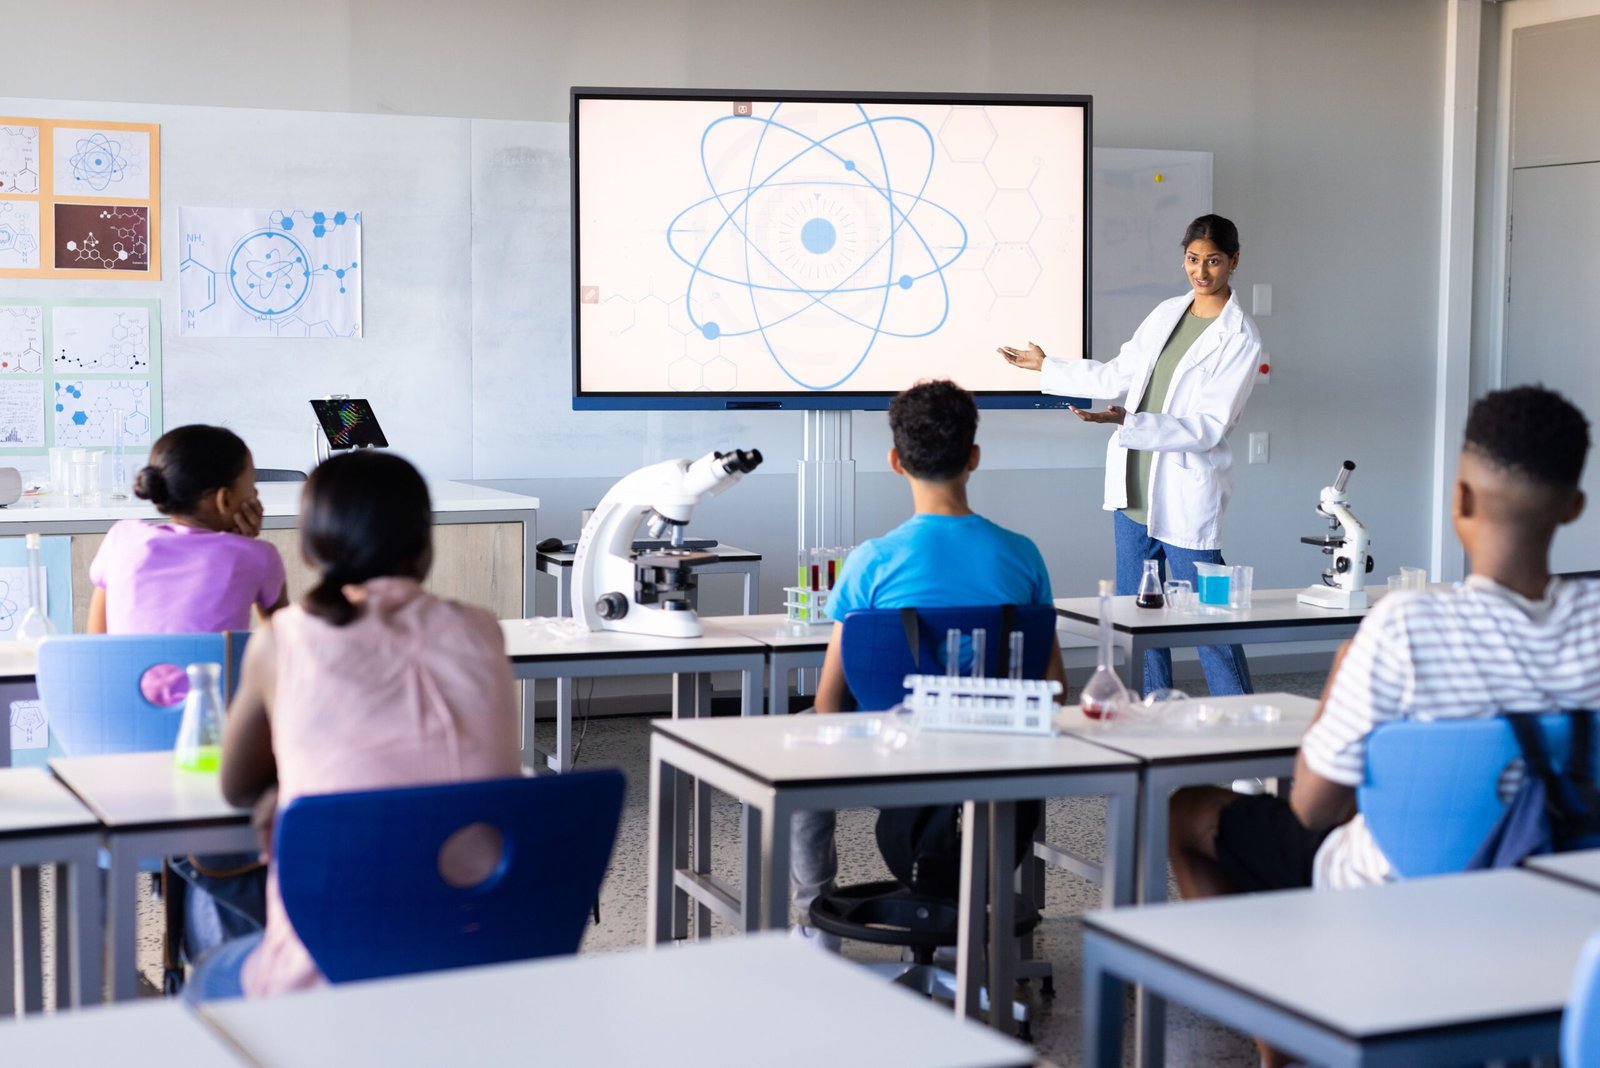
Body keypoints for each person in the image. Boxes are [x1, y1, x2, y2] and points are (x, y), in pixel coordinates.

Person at [1166, 386, 1600, 1064]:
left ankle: (1283, 1042)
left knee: (1190, 814)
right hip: (1566, 908)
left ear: (1459, 501)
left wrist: (1345, 677)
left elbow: (1311, 807)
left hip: (1401, 901)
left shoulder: (1404, 627)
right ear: (1574, 508)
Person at [199, 450, 521, 998]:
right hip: (481, 953)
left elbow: (235, 786)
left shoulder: (284, 639)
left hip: (326, 971)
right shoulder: (483, 630)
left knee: (210, 962)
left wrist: (290, 786)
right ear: (425, 547)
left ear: (309, 547)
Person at [791, 378, 1068, 942]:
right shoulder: (1022, 555)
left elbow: (828, 704)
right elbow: (1054, 688)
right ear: (974, 458)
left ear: (896, 461)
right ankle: (1004, 927)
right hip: (996, 753)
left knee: (798, 746)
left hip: (894, 759)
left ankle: (813, 918)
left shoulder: (871, 563)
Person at [998, 214, 1261, 697]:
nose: (1201, 272)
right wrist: (1048, 366)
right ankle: (1150, 717)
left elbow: (1207, 428)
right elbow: (1119, 373)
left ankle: (1248, 741)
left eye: (1213, 261)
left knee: (1212, 623)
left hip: (1185, 495)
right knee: (1140, 622)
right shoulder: (1167, 313)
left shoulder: (1240, 337)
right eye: (1192, 259)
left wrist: (1127, 423)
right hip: (1132, 495)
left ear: (1234, 262)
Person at [88, 424, 287, 634]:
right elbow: (282, 644)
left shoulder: (123, 538)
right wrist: (248, 550)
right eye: (252, 483)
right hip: (219, 668)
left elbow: (97, 642)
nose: (255, 493)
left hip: (126, 668)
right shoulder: (257, 556)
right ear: (224, 500)